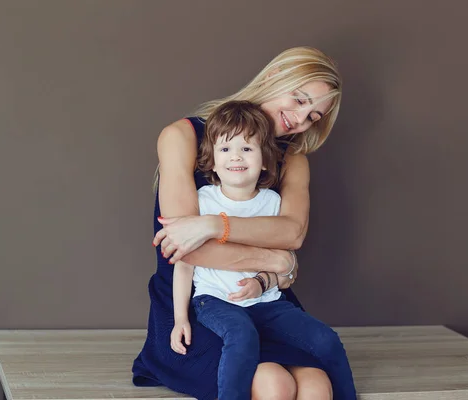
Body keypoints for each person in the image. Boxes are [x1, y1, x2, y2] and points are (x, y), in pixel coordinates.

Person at [133, 46, 356, 400]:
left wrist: (211, 226)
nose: (300, 120)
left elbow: (293, 231)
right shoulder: (183, 135)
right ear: (272, 78)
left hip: (261, 296)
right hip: (196, 304)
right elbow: (185, 247)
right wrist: (275, 262)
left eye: (313, 115)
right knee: (274, 384)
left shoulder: (293, 158)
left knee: (317, 385)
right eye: (298, 100)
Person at [171, 100, 298, 400]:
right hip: (214, 302)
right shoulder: (203, 201)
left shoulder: (272, 203)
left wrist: (263, 281)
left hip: (264, 302)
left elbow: (286, 265)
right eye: (226, 149)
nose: (236, 157)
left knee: (314, 365)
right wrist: (180, 319)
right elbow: (184, 263)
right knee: (242, 337)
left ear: (265, 159)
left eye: (247, 149)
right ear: (212, 160)